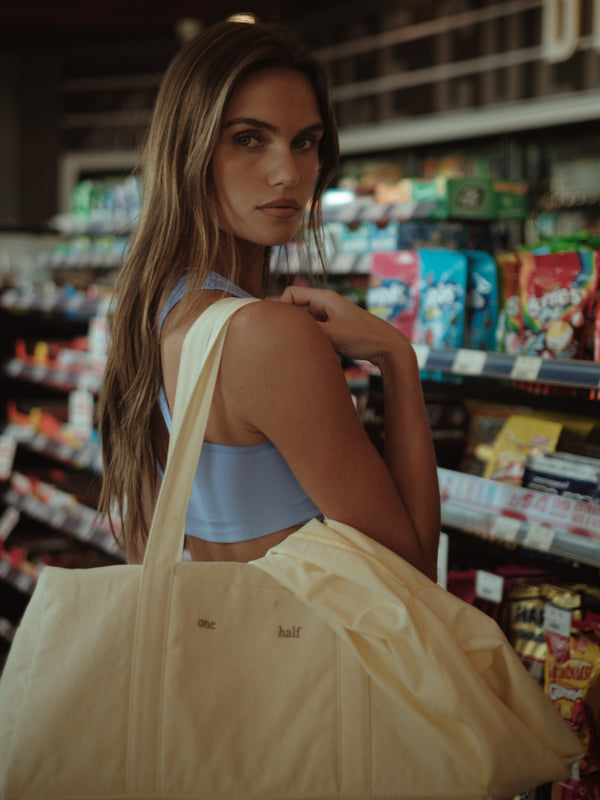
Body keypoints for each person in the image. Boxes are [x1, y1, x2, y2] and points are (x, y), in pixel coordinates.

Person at [98, 17, 440, 580]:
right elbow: (411, 575)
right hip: (308, 658)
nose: (288, 174)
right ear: (189, 150)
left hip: (230, 655)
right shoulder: (265, 334)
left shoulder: (153, 312)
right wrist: (395, 358)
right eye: (249, 139)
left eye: (305, 142)